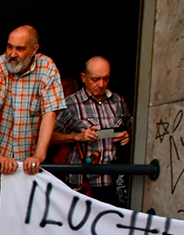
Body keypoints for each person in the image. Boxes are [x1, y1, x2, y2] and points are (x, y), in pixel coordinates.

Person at [0, 25, 65, 175]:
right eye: (9, 47)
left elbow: (50, 114)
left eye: (20, 49)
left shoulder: (47, 67)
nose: (12, 54)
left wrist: (39, 155)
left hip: (30, 160)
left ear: (34, 50)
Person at [52, 56, 132, 204]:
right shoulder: (71, 104)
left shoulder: (118, 101)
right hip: (82, 182)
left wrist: (128, 135)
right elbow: (50, 137)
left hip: (113, 180)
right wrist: (77, 137)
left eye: (106, 79)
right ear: (83, 77)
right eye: (95, 79)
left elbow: (133, 128)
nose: (101, 84)